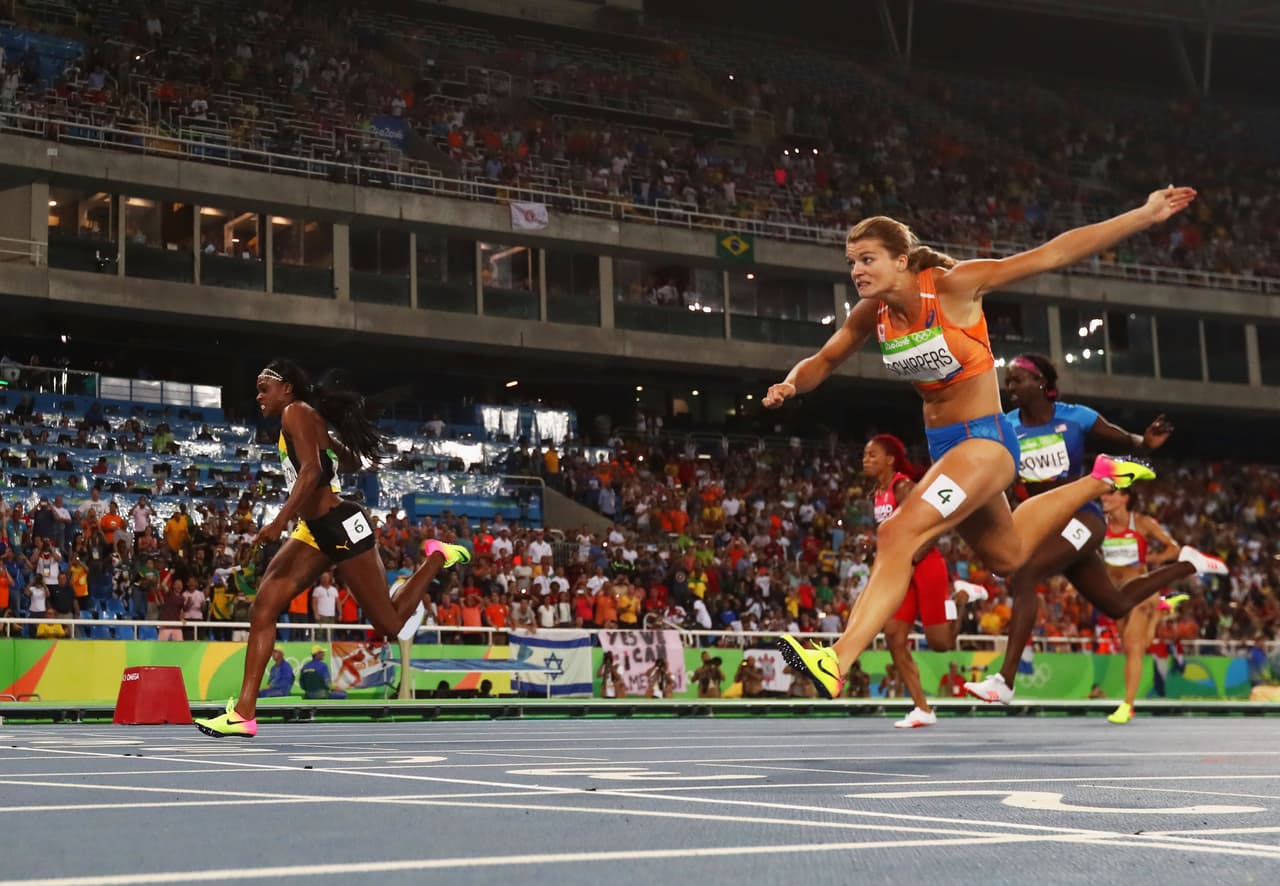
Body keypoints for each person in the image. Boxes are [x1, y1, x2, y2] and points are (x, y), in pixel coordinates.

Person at [767, 187, 1197, 697]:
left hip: (986, 442)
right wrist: (792, 383)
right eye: (851, 262)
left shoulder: (953, 287)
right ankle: (1097, 480)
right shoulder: (872, 314)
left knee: (897, 534)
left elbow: (1053, 254)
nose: (857, 271)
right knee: (1008, 557)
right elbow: (823, 360)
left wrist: (1144, 215)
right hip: (949, 450)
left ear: (901, 260)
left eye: (868, 259)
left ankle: (836, 660)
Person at [196, 359, 470, 738]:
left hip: (340, 525)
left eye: (264, 388)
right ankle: (244, 712)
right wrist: (329, 443)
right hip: (314, 529)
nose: (258, 396)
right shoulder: (304, 417)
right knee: (264, 606)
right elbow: (350, 460)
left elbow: (310, 472)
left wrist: (278, 522)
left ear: (287, 389)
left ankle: (438, 556)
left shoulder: (295, 412)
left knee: (389, 624)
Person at [964, 354, 1227, 704]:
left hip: (1083, 520)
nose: (1009, 387)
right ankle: (1188, 564)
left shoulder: (1076, 417)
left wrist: (1146, 443)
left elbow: (1128, 441)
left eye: (1016, 380)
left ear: (1041, 382)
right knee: (1116, 604)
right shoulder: (1007, 427)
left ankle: (1005, 680)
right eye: (1007, 381)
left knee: (1025, 575)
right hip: (1045, 527)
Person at [861, 434, 985, 728]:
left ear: (890, 460)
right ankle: (923, 709)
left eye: (872, 455)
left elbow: (933, 528)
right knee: (894, 638)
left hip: (925, 565)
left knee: (941, 644)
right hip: (900, 570)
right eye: (865, 455)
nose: (865, 460)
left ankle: (962, 598)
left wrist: (912, 559)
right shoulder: (876, 493)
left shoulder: (903, 486)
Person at [1100, 487, 1212, 724]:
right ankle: (1161, 609)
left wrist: (1154, 559)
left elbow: (1173, 548)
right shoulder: (1099, 524)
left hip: (1141, 590)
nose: (1104, 497)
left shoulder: (1142, 523)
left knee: (1134, 645)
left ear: (1125, 498)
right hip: (1116, 594)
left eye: (1111, 494)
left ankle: (1127, 706)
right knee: (1132, 643)